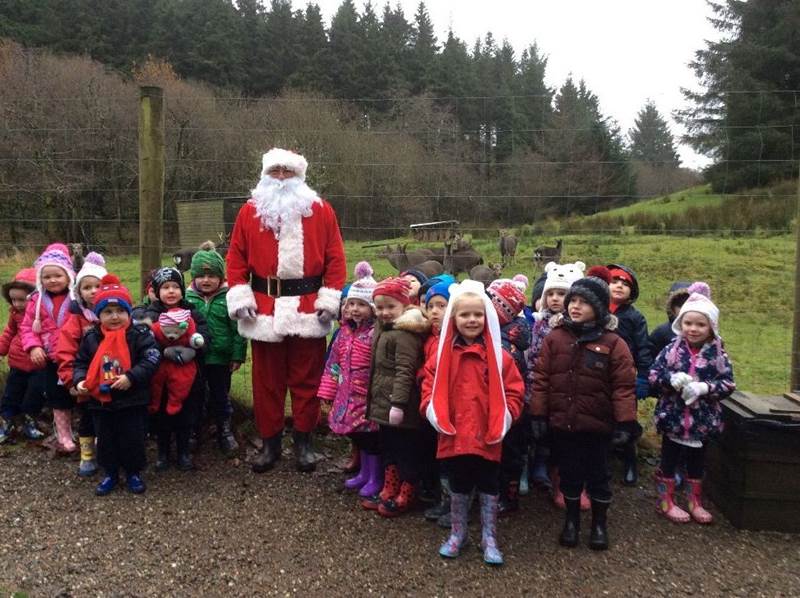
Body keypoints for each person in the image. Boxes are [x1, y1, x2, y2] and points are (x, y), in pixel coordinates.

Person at [226, 148, 346, 473]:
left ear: (299, 176)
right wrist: (241, 299)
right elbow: (235, 259)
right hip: (263, 309)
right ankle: (270, 443)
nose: (281, 177)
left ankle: (305, 444)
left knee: (307, 380)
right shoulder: (249, 213)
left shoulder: (322, 211)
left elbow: (335, 259)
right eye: (275, 171)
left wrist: (328, 301)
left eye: (287, 171)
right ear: (265, 175)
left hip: (309, 309)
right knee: (267, 382)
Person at [530, 269, 637, 550]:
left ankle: (599, 523)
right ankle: (572, 520)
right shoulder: (555, 338)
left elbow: (624, 386)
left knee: (599, 475)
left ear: (599, 308)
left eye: (583, 302)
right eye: (572, 300)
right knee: (569, 472)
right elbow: (541, 378)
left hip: (599, 426)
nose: (575, 306)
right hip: (564, 423)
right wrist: (539, 414)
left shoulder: (615, 344)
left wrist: (625, 423)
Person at [421, 280, 524, 566]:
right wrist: (431, 410)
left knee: (490, 484)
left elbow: (514, 390)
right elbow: (427, 385)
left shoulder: (500, 358)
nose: (471, 320)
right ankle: (458, 532)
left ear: (487, 317)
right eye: (464, 314)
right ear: (454, 318)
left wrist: (508, 416)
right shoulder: (441, 358)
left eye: (477, 314)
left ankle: (489, 536)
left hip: (488, 435)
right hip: (454, 435)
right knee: (459, 483)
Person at [649, 282, 735, 524]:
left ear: (711, 326)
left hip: (702, 419)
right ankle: (665, 501)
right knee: (669, 458)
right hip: (673, 417)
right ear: (680, 324)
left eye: (700, 324)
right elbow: (655, 375)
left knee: (697, 461)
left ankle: (694, 501)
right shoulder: (671, 350)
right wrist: (671, 379)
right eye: (688, 323)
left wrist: (705, 388)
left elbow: (728, 384)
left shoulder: (717, 355)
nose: (693, 329)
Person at [73, 274, 161, 496]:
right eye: (107, 312)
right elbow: (81, 362)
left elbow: (151, 358)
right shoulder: (92, 338)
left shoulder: (139, 335)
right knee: (106, 440)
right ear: (98, 314)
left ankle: (133, 472)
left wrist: (132, 376)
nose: (115, 317)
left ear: (128, 312)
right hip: (100, 402)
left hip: (132, 399)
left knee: (133, 438)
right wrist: (80, 380)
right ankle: (110, 472)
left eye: (120, 311)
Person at [362, 277, 429, 517]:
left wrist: (398, 404)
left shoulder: (405, 334)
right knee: (388, 446)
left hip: (400, 405)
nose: (385, 312)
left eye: (391, 307)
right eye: (380, 308)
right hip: (383, 402)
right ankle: (389, 487)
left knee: (405, 449)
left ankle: (407, 491)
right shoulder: (383, 328)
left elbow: (405, 371)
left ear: (404, 305)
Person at [317, 262, 381, 498]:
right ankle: (365, 472)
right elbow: (334, 364)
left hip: (368, 396)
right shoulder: (344, 332)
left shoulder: (375, 334)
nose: (354, 309)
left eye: (361, 305)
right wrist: (327, 391)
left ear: (373, 308)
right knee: (358, 435)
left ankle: (375, 476)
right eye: (351, 304)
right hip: (347, 394)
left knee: (371, 437)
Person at [526, 261, 586, 504]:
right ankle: (542, 467)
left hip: (570, 390)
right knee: (544, 433)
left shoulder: (578, 327)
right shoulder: (539, 323)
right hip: (543, 384)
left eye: (561, 294)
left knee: (567, 437)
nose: (554, 299)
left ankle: (567, 480)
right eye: (549, 294)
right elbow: (533, 355)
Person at [141, 267, 210, 471]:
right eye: (165, 287)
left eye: (175, 287)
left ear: (182, 290)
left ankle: (183, 452)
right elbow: (145, 340)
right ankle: (163, 452)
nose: (171, 292)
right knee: (162, 417)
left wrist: (195, 349)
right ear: (156, 291)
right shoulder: (151, 315)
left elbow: (205, 336)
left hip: (188, 375)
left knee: (186, 416)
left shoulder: (193, 313)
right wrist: (163, 351)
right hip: (160, 377)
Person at [185, 241, 246, 455]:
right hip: (195, 359)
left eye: (211, 276)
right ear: (194, 277)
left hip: (221, 358)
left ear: (221, 276)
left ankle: (224, 431)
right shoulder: (187, 298)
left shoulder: (229, 298)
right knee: (195, 395)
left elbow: (238, 328)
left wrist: (237, 355)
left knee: (221, 395)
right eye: (201, 276)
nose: (206, 280)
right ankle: (193, 431)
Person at [19, 243, 77, 453]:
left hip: (75, 356)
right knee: (57, 396)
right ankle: (64, 434)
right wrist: (33, 347)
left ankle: (88, 431)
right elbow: (26, 327)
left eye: (57, 275)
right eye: (47, 276)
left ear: (68, 276)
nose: (52, 280)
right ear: (40, 279)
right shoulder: (35, 301)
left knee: (82, 392)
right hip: (51, 358)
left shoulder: (75, 299)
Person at [54, 251, 107, 476]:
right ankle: (87, 454)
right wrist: (71, 379)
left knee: (108, 419)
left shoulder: (117, 315)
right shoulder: (76, 320)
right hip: (85, 380)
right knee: (87, 419)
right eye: (87, 287)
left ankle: (105, 450)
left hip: (111, 380)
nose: (93, 291)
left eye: (98, 286)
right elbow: (65, 352)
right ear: (79, 292)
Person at [485, 279, 530, 516]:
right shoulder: (496, 333)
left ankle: (508, 496)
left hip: (509, 408)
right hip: (496, 406)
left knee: (509, 453)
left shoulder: (505, 343)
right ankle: (494, 493)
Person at [607, 263, 652, 486]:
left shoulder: (636, 317)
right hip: (600, 374)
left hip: (626, 377)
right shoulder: (597, 310)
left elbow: (644, 347)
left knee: (627, 419)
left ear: (632, 291)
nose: (619, 286)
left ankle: (630, 461)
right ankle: (604, 459)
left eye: (625, 284)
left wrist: (643, 377)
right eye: (615, 281)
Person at [419, 275, 455, 525]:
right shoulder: (428, 337)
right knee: (439, 455)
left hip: (452, 408)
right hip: (431, 405)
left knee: (451, 458)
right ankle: (443, 499)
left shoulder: (453, 339)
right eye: (430, 306)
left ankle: (454, 503)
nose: (434, 311)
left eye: (441, 306)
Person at [0, 268, 46, 443]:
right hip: (17, 361)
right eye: (13, 300)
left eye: (22, 300)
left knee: (35, 394)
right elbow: (9, 333)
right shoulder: (15, 314)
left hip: (39, 364)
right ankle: (7, 422)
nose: (17, 304)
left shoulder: (42, 315)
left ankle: (29, 422)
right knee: (11, 393)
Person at [649, 282, 691, 358]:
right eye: (680, 304)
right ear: (672, 307)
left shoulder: (707, 332)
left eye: (690, 304)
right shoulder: (661, 332)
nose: (685, 309)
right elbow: (649, 356)